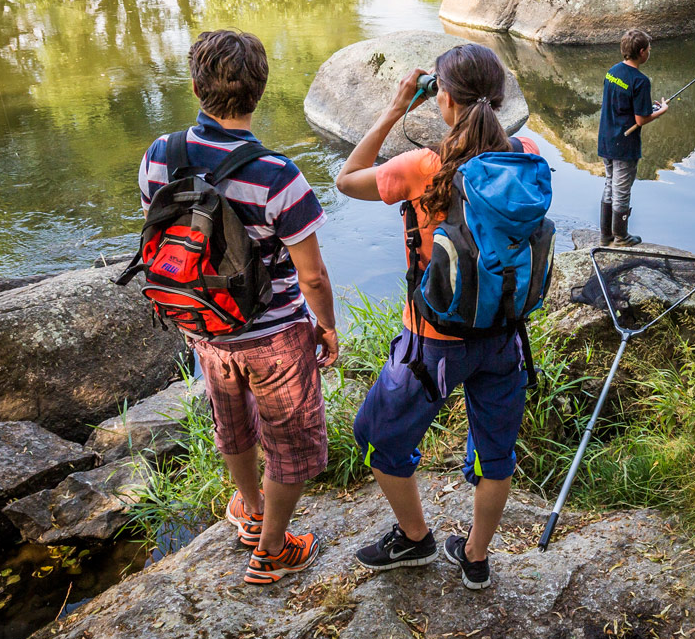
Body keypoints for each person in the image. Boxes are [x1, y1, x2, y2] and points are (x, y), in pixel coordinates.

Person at [136, 29, 340, 587]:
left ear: (196, 86)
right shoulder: (278, 175)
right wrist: (325, 327)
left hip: (202, 325)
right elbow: (312, 274)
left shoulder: (160, 155)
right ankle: (273, 549)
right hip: (273, 335)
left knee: (232, 420)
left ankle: (248, 508)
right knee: (292, 442)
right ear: (260, 90)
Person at [334, 43, 537, 590]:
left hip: (432, 342)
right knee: (496, 454)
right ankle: (475, 558)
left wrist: (397, 106)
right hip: (505, 337)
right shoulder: (527, 154)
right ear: (498, 96)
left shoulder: (424, 167)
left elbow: (346, 179)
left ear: (441, 98)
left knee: (376, 435)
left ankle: (417, 539)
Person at [596, 28, 668, 246]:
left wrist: (647, 106)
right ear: (642, 52)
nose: (650, 52)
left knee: (610, 184)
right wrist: (661, 110)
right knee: (622, 190)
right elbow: (640, 120)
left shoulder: (612, 72)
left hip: (606, 139)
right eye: (649, 49)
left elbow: (622, 104)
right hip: (624, 144)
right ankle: (621, 237)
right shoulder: (640, 81)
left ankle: (605, 235)